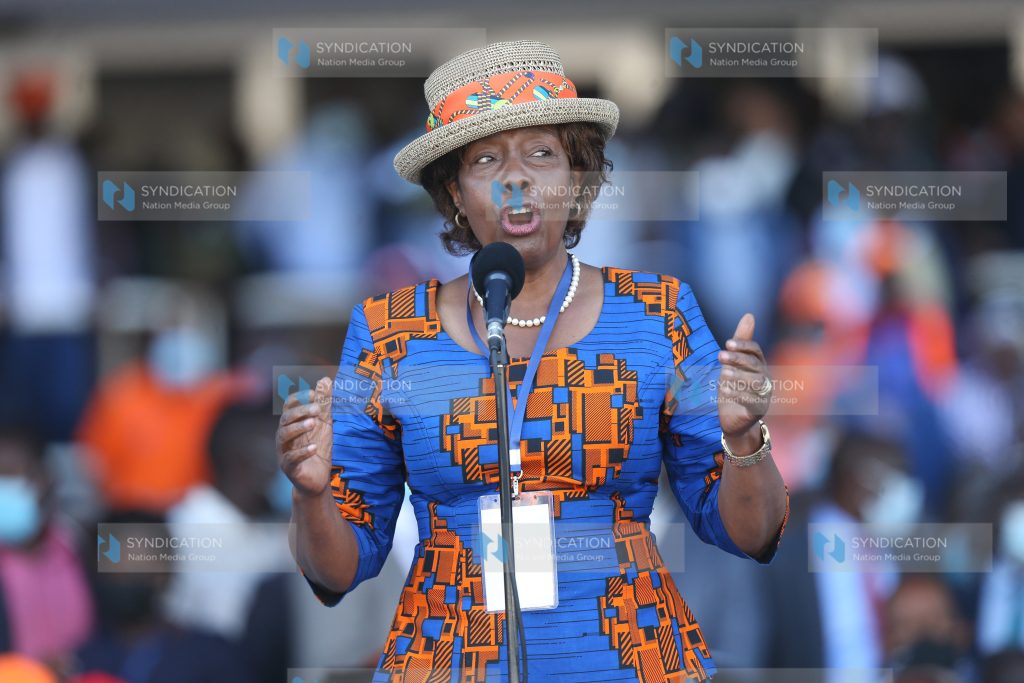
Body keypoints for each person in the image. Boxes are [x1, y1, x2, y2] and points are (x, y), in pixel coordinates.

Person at [276, 41, 789, 682]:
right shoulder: (387, 333)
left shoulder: (658, 314)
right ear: (456, 194)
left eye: (541, 153)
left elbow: (750, 532)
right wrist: (312, 494)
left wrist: (744, 439)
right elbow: (338, 570)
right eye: (486, 159)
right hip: (451, 664)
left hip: (629, 665)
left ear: (577, 177)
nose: (516, 178)